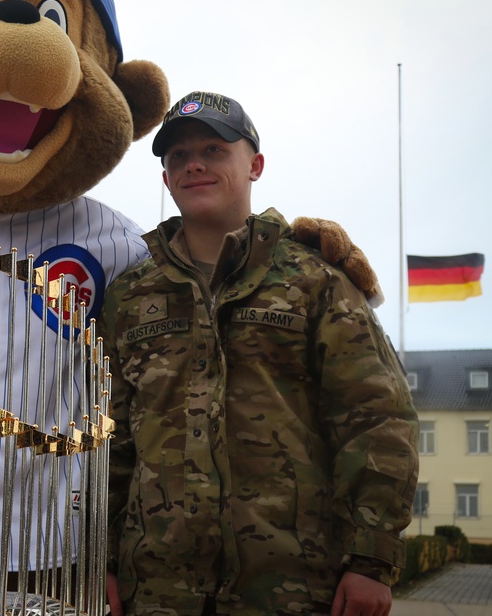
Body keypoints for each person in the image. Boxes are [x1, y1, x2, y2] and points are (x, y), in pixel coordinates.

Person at [103, 91, 419, 616]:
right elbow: (112, 440)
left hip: (292, 587)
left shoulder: (314, 279)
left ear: (255, 165)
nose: (194, 164)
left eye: (214, 148)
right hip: (157, 590)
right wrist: (103, 561)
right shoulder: (131, 296)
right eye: (177, 156)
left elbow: (376, 417)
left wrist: (371, 559)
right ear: (164, 178)